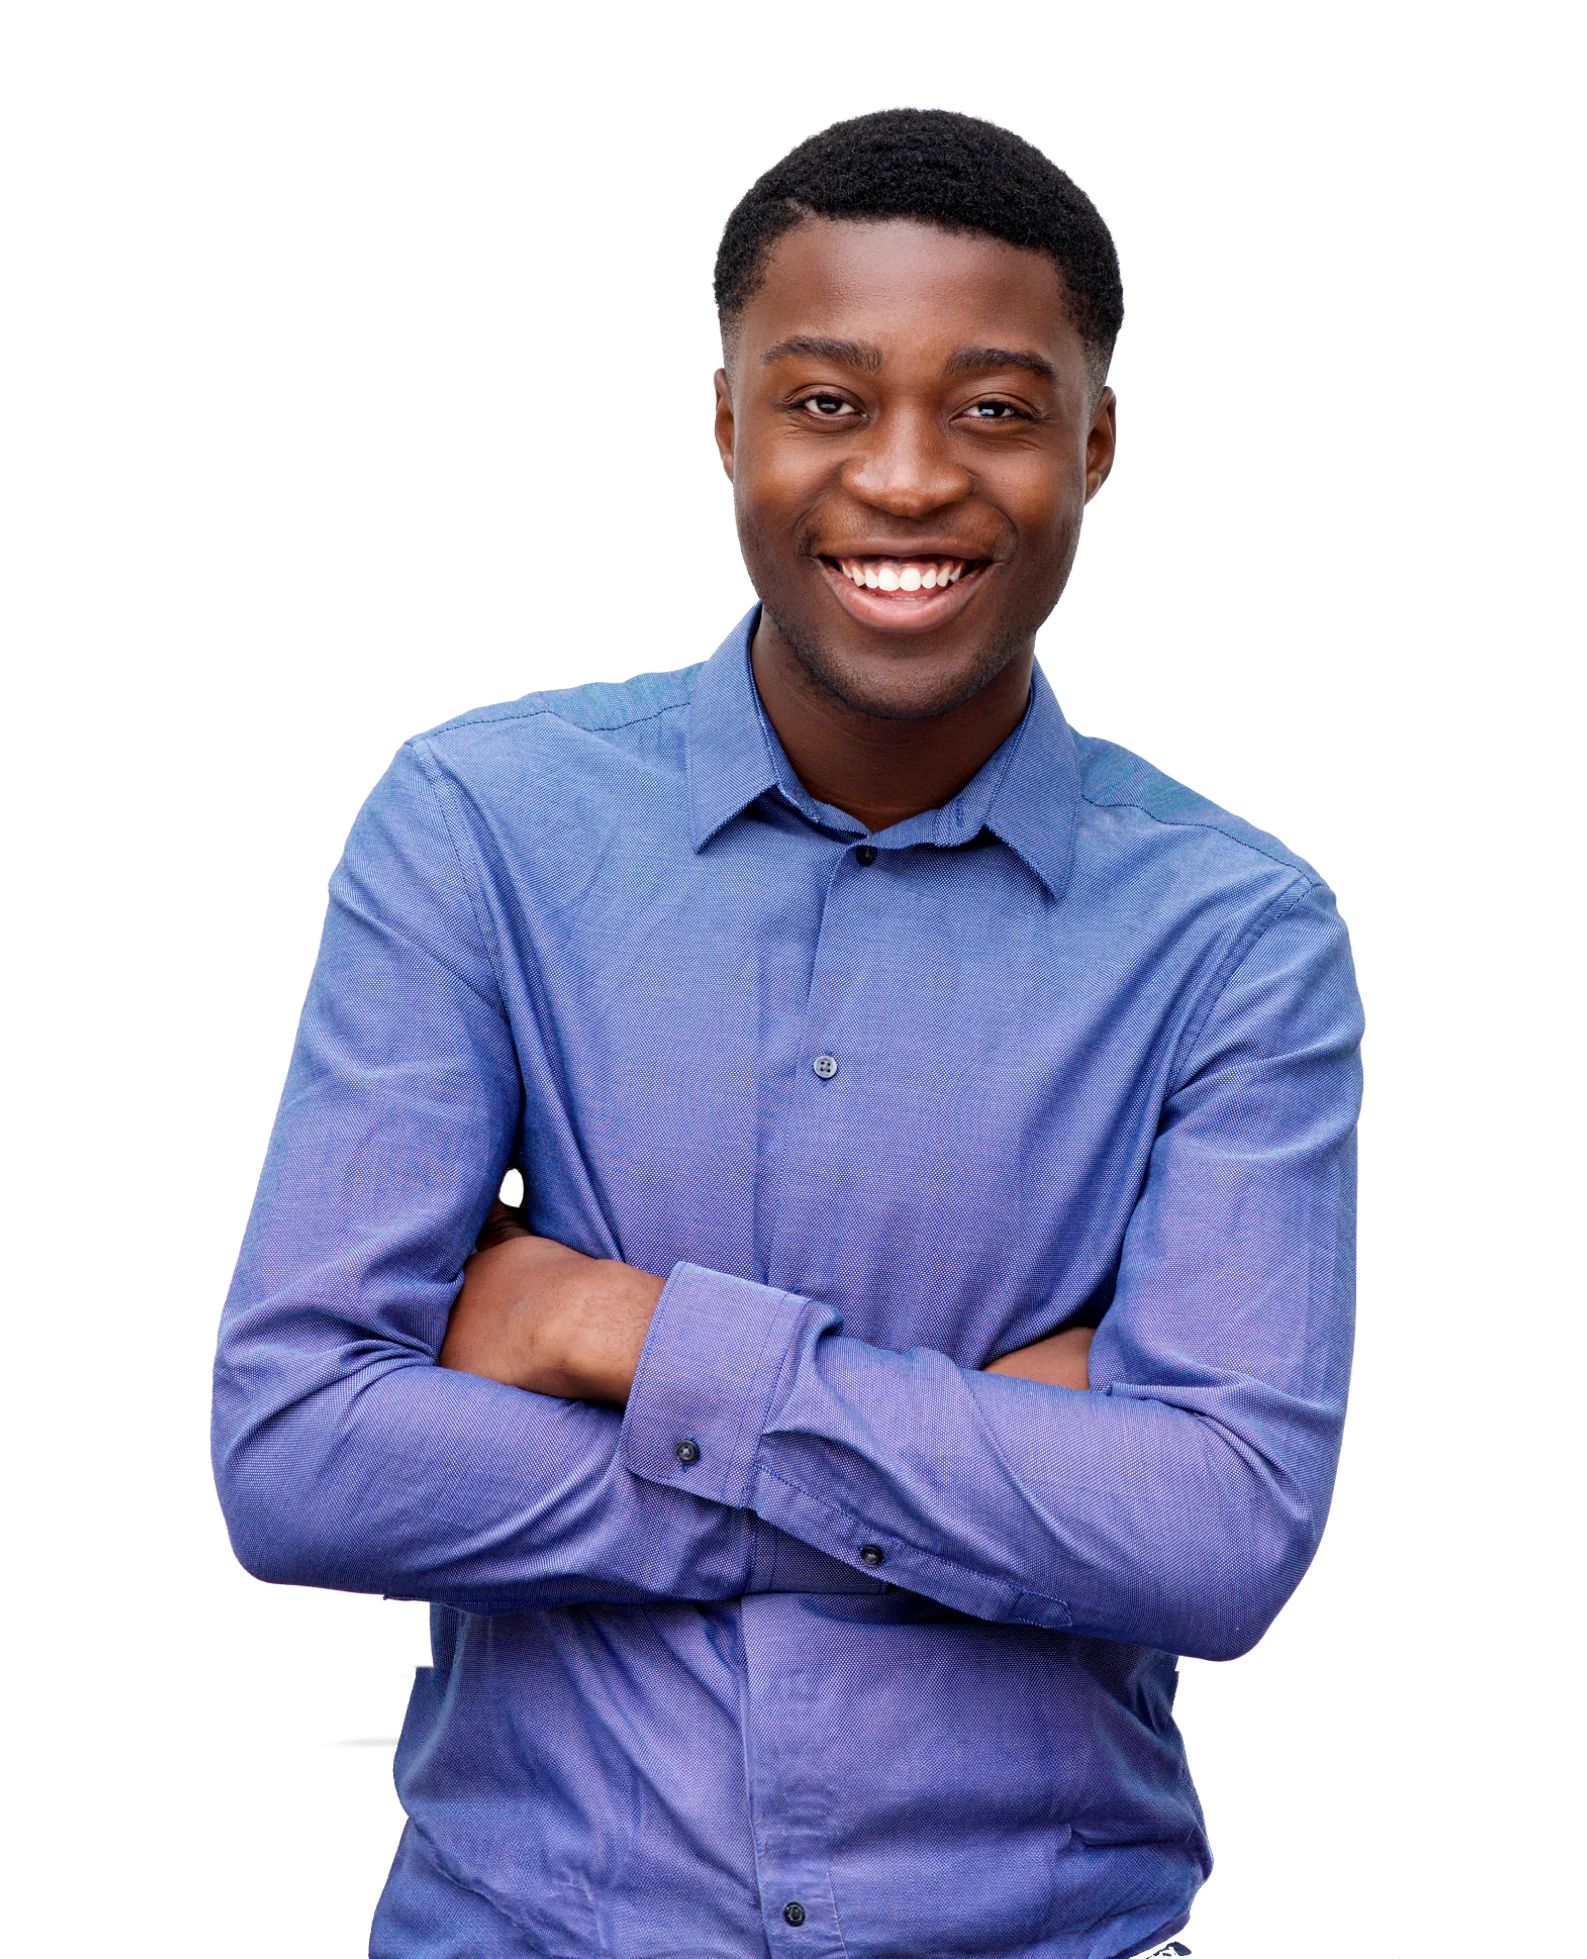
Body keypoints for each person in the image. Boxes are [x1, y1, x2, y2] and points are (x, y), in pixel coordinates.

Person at [210, 107, 1363, 1959]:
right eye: (828, 401)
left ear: (1097, 445)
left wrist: (615, 1329)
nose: (906, 479)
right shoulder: (479, 821)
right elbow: (302, 1457)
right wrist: (992, 1453)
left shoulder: (1239, 933)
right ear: (729, 423)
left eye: (992, 408)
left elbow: (1218, 1533)